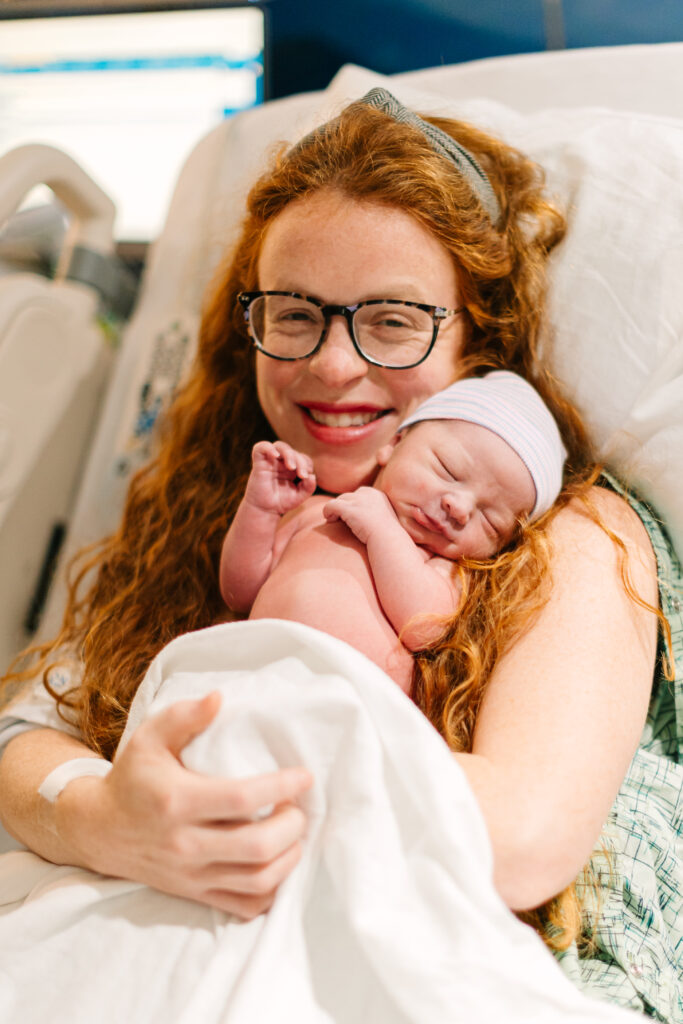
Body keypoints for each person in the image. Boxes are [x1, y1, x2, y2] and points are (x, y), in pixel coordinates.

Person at [0, 86, 679, 1018]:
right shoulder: (218, 505)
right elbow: (23, 736)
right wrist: (103, 819)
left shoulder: (567, 539)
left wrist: (220, 795)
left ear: (479, 343)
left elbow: (522, 839)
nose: (329, 365)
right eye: (293, 313)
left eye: (393, 320)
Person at [220, 371, 566, 693]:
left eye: (490, 522)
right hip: (252, 675)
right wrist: (261, 509)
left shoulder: (441, 570)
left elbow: (424, 628)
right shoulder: (314, 511)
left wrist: (384, 532)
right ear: (396, 442)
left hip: (348, 703)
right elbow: (239, 592)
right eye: (447, 470)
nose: (459, 509)